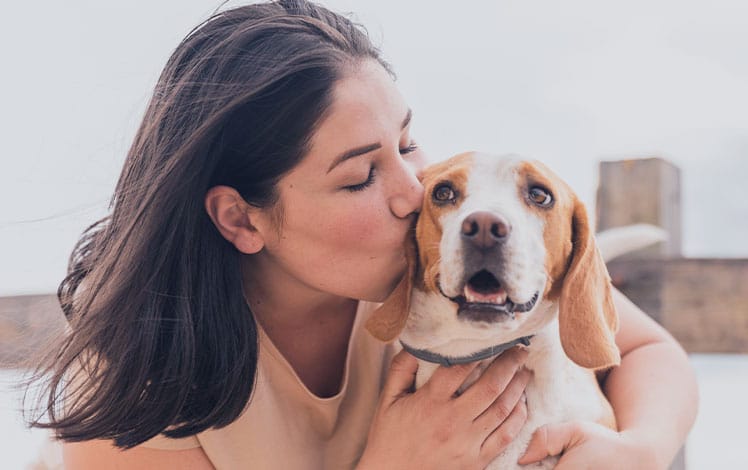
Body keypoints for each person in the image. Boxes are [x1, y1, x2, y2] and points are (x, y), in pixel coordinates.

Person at [28, 1, 697, 468]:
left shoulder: (432, 264)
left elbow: (647, 350)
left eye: (406, 143)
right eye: (359, 178)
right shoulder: (131, 383)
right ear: (239, 217)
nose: (414, 192)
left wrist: (640, 450)